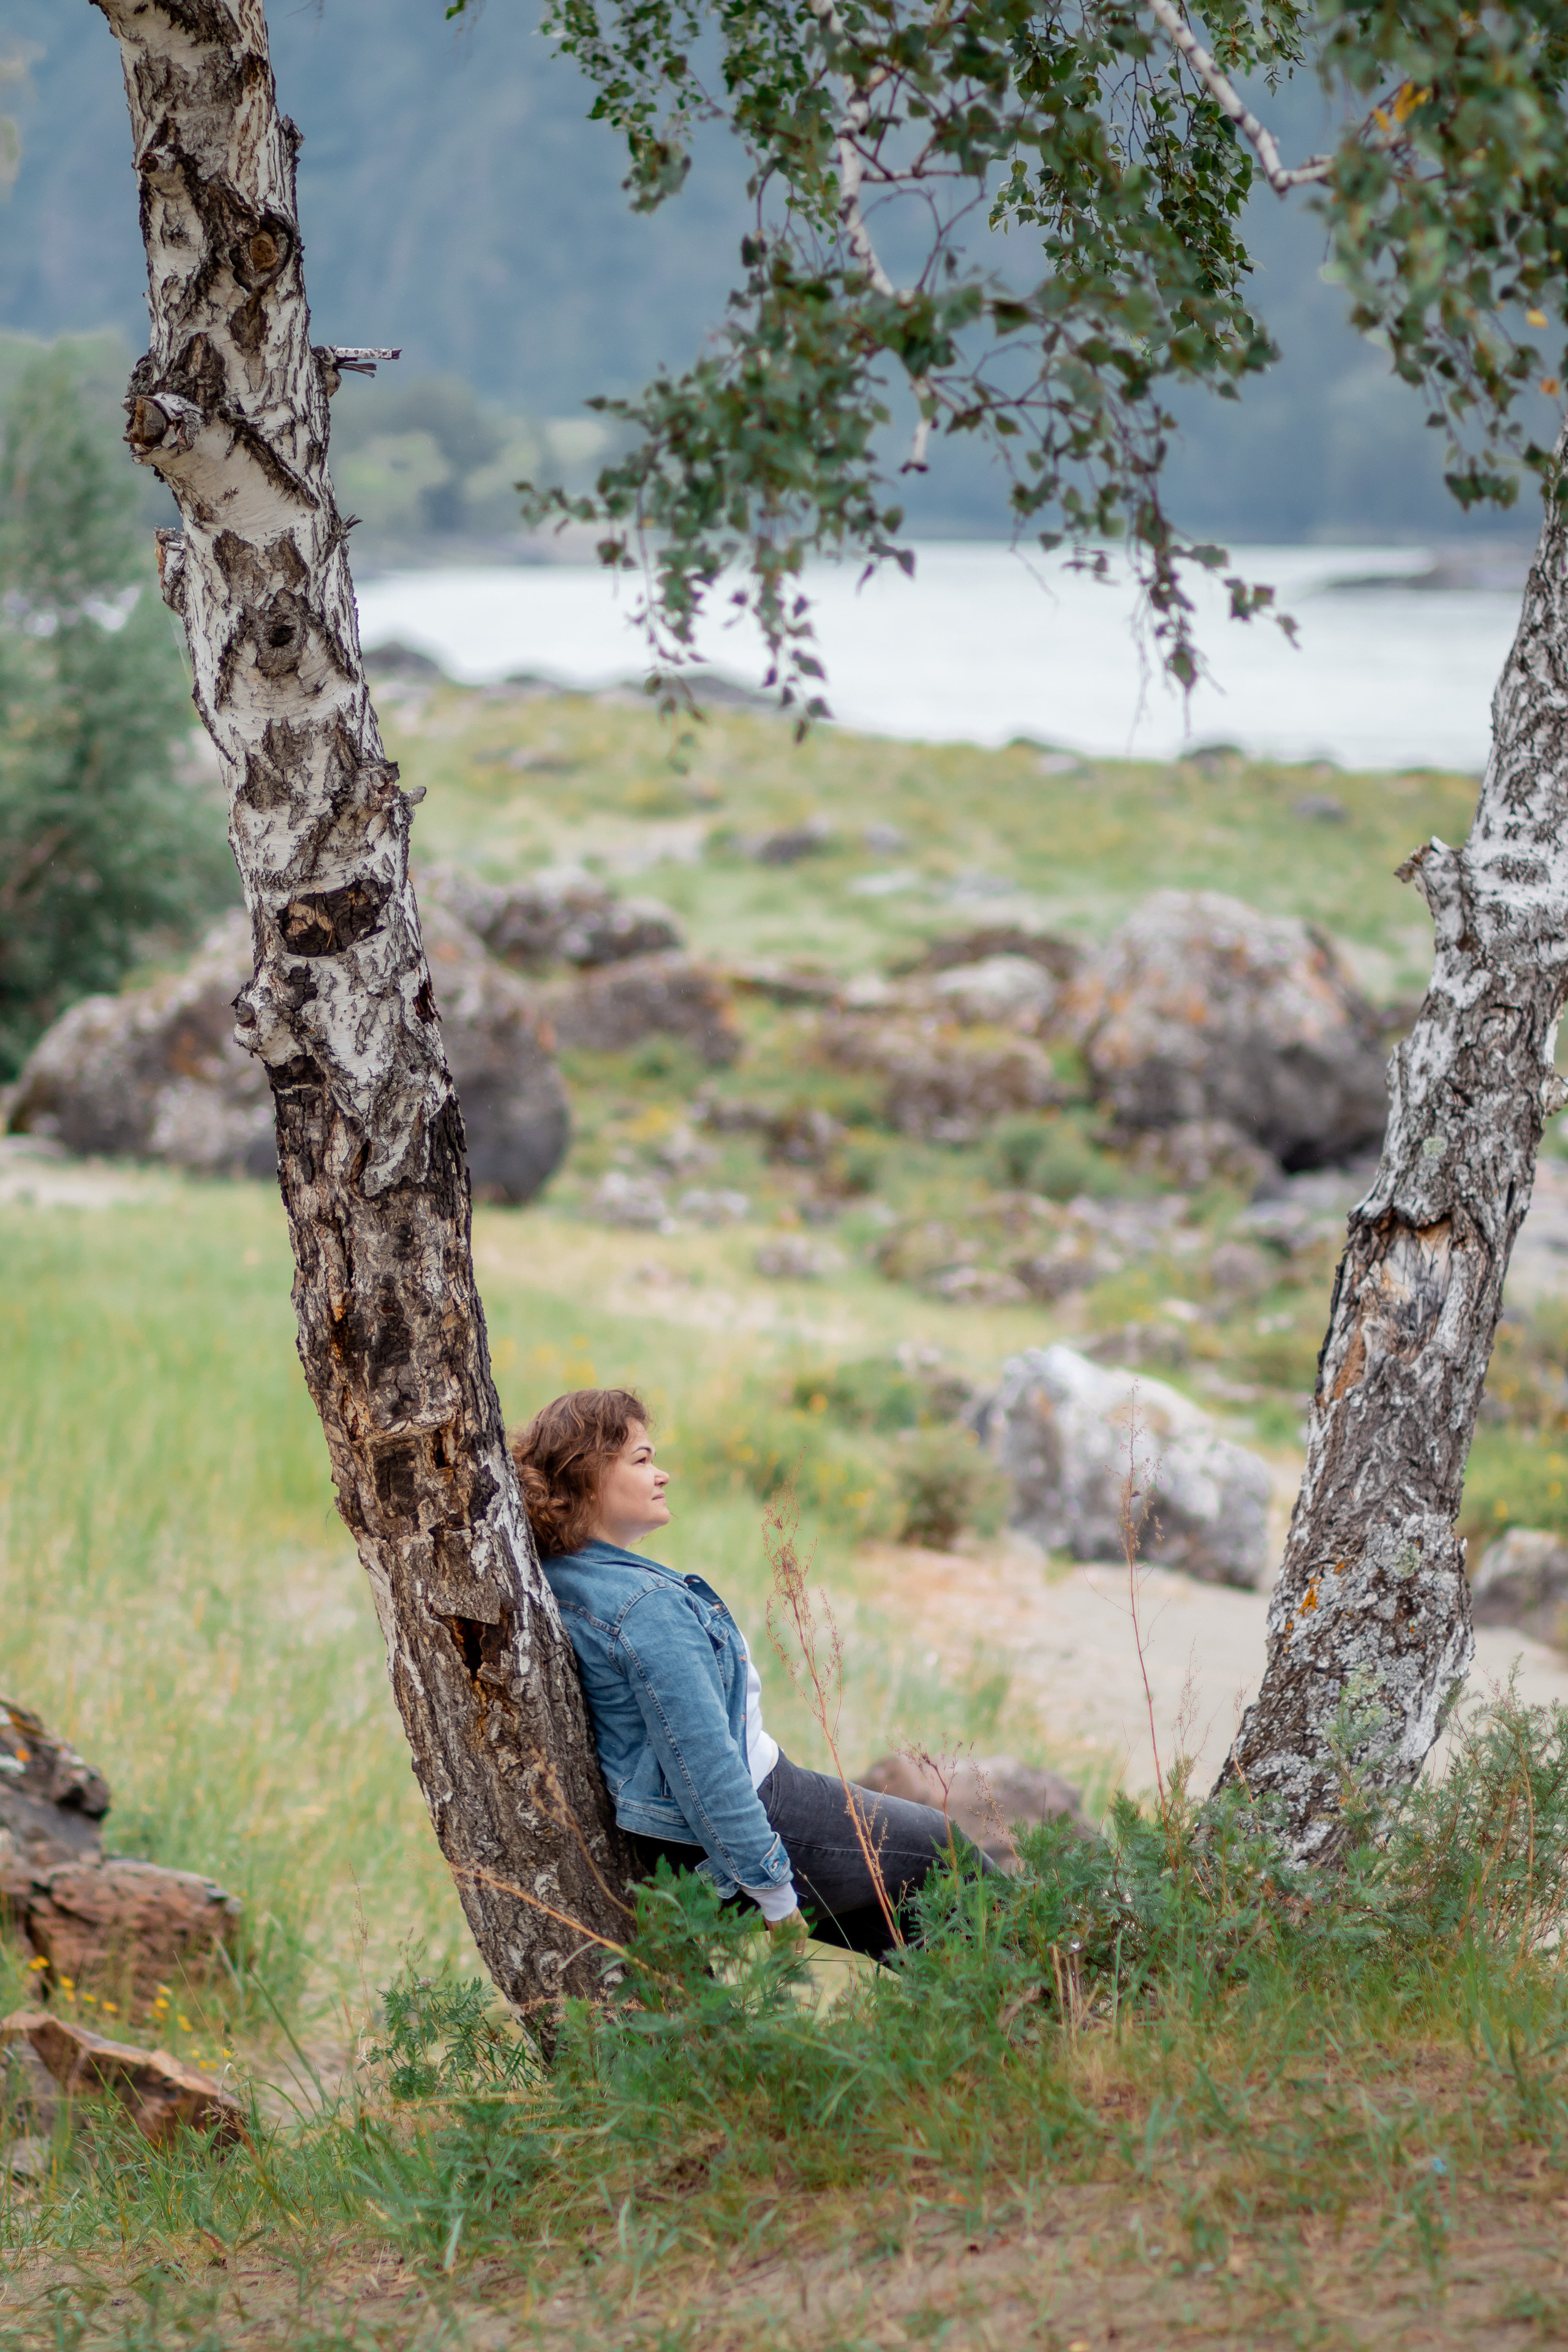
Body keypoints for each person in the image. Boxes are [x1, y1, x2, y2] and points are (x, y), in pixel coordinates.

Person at [511, 1387, 990, 1957]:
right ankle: (1056, 1985)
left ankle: (1020, 2004)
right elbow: (703, 1761)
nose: (663, 1474)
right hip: (763, 1812)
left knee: (908, 1929)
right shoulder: (645, 1608)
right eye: (641, 1460)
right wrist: (773, 1889)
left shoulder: (561, 1577)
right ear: (587, 1478)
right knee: (942, 1851)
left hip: (699, 1830)